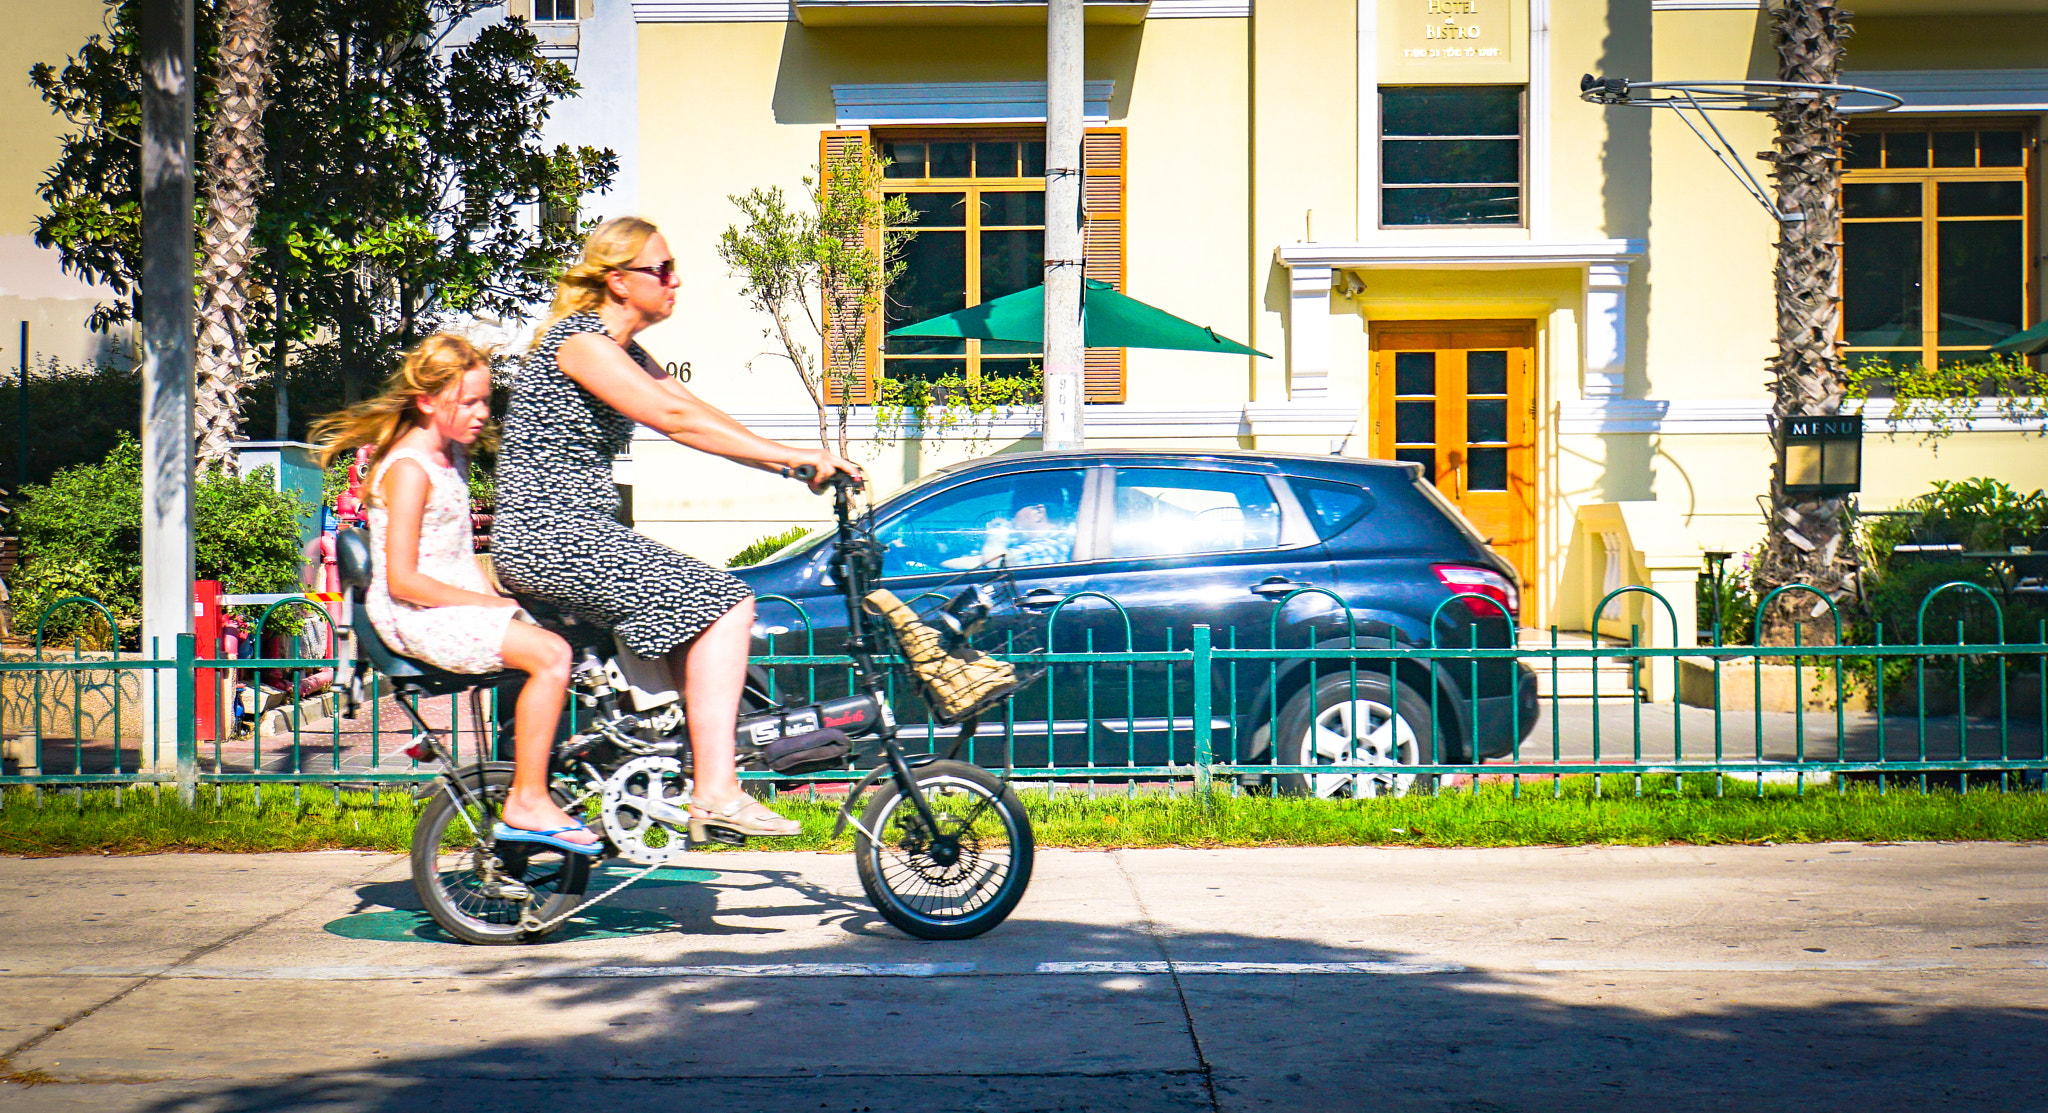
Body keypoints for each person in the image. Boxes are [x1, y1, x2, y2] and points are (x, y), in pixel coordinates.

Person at [491, 217, 861, 840]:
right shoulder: (579, 344)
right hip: (552, 537)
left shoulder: (623, 350)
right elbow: (672, 419)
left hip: (579, 533)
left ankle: (659, 759)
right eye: (661, 270)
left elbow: (692, 408)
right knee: (726, 602)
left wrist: (795, 460)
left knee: (703, 605)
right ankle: (715, 791)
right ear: (617, 281)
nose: (676, 280)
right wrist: (791, 461)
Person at [311, 336, 594, 853]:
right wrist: (493, 606)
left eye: (486, 400)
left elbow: (460, 556)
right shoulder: (411, 470)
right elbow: (402, 580)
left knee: (566, 635)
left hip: (450, 600)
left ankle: (530, 769)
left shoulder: (451, 454)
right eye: (468, 402)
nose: (482, 412)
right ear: (426, 400)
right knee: (553, 656)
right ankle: (527, 798)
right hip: (415, 613)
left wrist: (506, 602)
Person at [942, 498, 1076, 569]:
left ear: (1038, 513)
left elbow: (994, 562)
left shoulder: (1051, 546)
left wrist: (996, 537)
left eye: (1012, 512)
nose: (1010, 518)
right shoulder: (1054, 540)